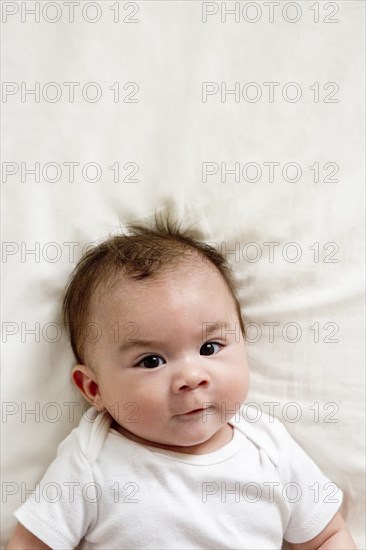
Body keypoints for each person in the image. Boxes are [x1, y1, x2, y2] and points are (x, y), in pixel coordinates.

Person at [8, 216, 356, 549]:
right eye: (151, 361)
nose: (191, 378)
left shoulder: (268, 446)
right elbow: (31, 543)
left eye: (209, 347)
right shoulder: (91, 459)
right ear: (94, 389)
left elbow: (326, 535)